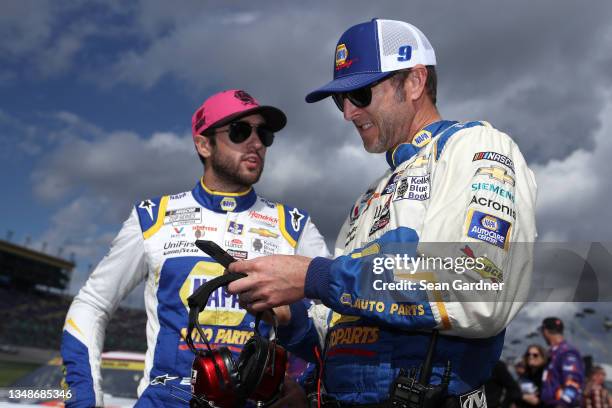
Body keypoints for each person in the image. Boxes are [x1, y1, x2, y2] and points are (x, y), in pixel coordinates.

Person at [227, 18, 537, 406]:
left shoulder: (475, 147)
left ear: (414, 82)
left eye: (359, 94)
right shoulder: (368, 199)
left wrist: (314, 276)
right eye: (341, 100)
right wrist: (294, 322)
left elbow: (479, 286)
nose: (348, 113)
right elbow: (343, 333)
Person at [60, 89, 330, 407]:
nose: (256, 142)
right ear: (204, 144)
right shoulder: (153, 217)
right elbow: (91, 303)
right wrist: (84, 399)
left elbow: (334, 317)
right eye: (240, 131)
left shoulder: (294, 225)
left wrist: (306, 387)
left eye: (264, 133)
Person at [540, 317, 585, 407]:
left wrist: (563, 404)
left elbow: (573, 382)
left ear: (545, 331)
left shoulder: (566, 352)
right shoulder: (554, 353)